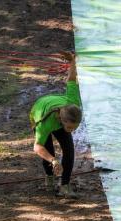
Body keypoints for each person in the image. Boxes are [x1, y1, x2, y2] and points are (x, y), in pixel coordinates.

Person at [29, 51, 82, 198]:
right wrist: (53, 161)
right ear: (62, 121)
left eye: (75, 127)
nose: (72, 130)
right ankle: (49, 178)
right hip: (39, 110)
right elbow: (37, 147)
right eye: (70, 128)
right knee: (48, 150)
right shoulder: (45, 123)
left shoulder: (73, 103)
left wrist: (72, 61)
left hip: (59, 108)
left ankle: (65, 186)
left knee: (69, 150)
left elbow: (71, 79)